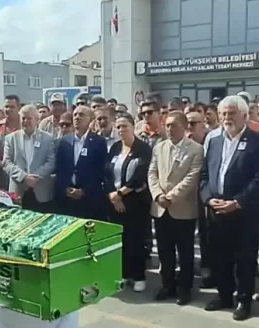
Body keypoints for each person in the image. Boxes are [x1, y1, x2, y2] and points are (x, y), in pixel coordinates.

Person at [199, 96, 259, 321]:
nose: (226, 118)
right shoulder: (213, 140)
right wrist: (208, 198)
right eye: (223, 114)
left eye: (231, 113)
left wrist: (237, 202)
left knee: (245, 259)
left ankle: (243, 300)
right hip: (216, 210)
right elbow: (204, 175)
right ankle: (224, 296)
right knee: (220, 257)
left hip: (243, 212)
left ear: (244, 115)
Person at [148, 110, 205, 305]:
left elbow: (192, 178)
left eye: (174, 125)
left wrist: (170, 197)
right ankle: (167, 285)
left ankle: (184, 288)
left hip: (183, 208)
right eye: (168, 125)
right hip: (160, 208)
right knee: (164, 251)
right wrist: (157, 195)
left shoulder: (196, 149)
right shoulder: (160, 146)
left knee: (185, 252)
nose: (170, 129)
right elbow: (152, 173)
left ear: (184, 127)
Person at [106, 113, 152, 292]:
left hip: (135, 202)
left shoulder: (143, 149)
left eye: (125, 126)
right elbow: (107, 172)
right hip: (114, 202)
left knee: (136, 240)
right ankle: (124, 274)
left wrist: (120, 194)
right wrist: (112, 195)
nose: (121, 130)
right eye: (118, 126)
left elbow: (140, 175)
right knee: (120, 240)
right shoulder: (115, 148)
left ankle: (139, 276)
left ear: (133, 127)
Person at [56, 105, 109, 220]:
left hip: (89, 198)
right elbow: (60, 168)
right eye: (75, 115)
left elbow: (100, 171)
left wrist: (85, 191)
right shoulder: (65, 141)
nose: (77, 117)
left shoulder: (98, 142)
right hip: (68, 198)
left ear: (90, 120)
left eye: (81, 115)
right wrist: (65, 188)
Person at [3, 104, 56, 212]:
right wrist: (24, 177)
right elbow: (6, 163)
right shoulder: (10, 139)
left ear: (37, 119)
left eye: (29, 118)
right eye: (23, 118)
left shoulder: (48, 138)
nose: (25, 121)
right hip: (18, 191)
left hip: (41, 191)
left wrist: (36, 176)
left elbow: (51, 162)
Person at [0, 95, 22, 189]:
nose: (8, 109)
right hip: (1, 173)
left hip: (22, 173)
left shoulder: (25, 124)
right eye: (6, 107)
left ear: (19, 108)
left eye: (12, 107)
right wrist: (1, 164)